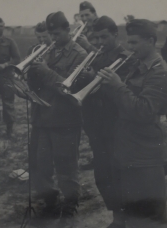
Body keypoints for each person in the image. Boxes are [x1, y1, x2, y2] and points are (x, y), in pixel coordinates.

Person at [98, 19, 167, 228]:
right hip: (130, 149)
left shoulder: (159, 72)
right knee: (134, 211)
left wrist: (116, 86)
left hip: (144, 155)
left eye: (135, 43)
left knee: (147, 219)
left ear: (151, 41)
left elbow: (145, 111)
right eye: (129, 42)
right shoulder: (138, 66)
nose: (130, 47)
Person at [28, 12, 87, 222]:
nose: (52, 38)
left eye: (56, 33)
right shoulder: (47, 52)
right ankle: (50, 200)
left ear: (68, 30)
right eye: (50, 34)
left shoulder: (80, 55)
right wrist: (31, 73)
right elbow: (37, 84)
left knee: (66, 165)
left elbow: (69, 88)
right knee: (40, 164)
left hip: (64, 119)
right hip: (42, 117)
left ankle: (70, 205)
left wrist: (44, 71)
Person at [77, 16, 133, 228]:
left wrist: (95, 81)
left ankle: (124, 220)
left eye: (104, 37)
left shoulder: (125, 58)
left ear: (115, 35)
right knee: (103, 176)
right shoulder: (94, 56)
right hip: (95, 126)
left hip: (116, 127)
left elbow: (125, 94)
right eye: (97, 37)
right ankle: (117, 217)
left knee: (119, 174)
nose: (100, 41)